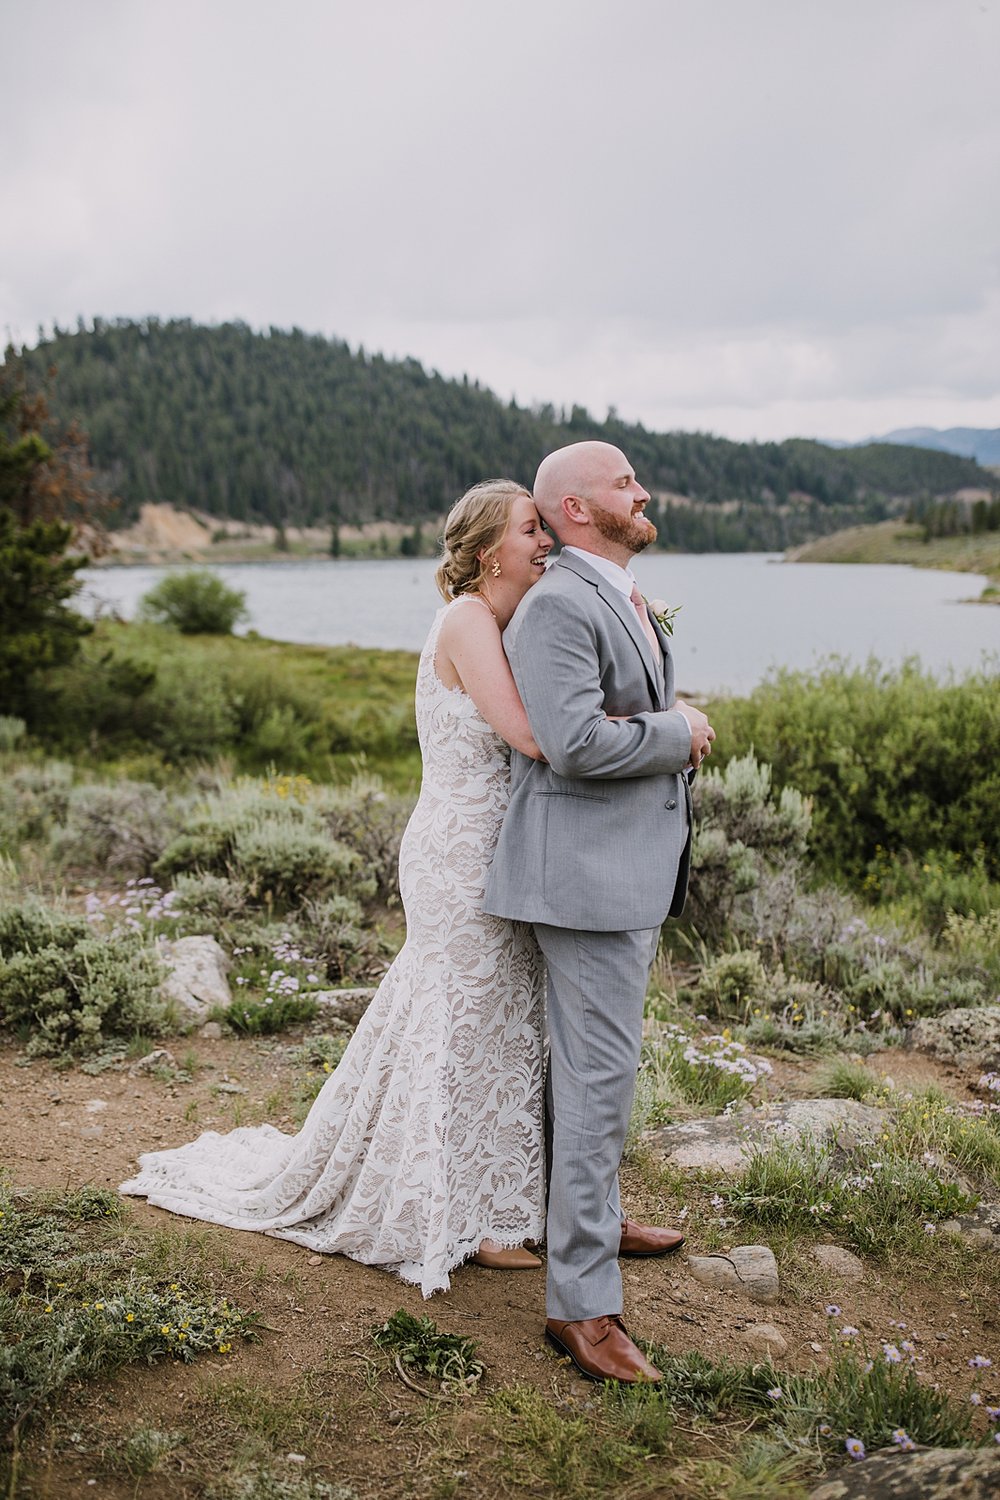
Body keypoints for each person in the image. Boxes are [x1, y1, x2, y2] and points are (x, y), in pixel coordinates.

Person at [122, 479, 553, 1296]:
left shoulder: (498, 619)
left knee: (498, 1018)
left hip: (495, 850)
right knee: (460, 1017)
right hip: (459, 851)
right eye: (532, 529)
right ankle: (448, 1206)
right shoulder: (466, 619)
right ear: (490, 547)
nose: (545, 542)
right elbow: (528, 736)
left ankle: (496, 1206)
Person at [484, 440, 716, 1383]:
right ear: (577, 509)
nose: (643, 491)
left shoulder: (614, 592)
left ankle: (587, 1222)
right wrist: (680, 732)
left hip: (617, 870)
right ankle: (582, 1305)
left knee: (587, 1076)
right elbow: (573, 745)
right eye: (624, 482)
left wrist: (663, 719)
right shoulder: (557, 606)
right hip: (582, 879)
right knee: (597, 1081)